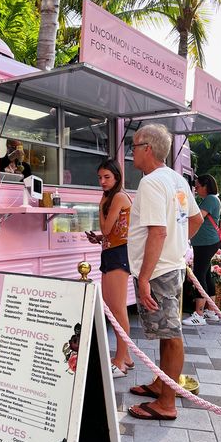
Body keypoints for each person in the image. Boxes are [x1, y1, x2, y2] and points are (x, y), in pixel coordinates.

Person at [126, 125, 203, 421]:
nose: (131, 151)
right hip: (169, 266)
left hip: (158, 270)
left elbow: (157, 232)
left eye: (134, 145)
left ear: (148, 148)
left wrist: (144, 277)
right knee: (167, 331)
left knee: (171, 335)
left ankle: (167, 403)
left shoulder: (151, 182)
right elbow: (194, 220)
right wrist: (179, 247)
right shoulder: (176, 179)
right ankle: (162, 383)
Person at [86, 159, 134, 377]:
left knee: (117, 308)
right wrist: (99, 238)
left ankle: (120, 360)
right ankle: (126, 357)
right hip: (111, 252)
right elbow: (110, 233)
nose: (102, 182)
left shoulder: (118, 197)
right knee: (113, 307)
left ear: (116, 177)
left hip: (118, 255)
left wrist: (100, 208)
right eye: (99, 178)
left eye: (107, 177)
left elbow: (106, 228)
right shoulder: (111, 197)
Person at [183, 174, 221, 325]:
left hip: (206, 243)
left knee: (199, 275)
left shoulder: (211, 199)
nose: (196, 189)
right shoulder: (212, 199)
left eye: (197, 186)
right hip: (207, 242)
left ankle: (198, 315)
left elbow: (198, 217)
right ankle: (211, 311)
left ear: (206, 185)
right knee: (205, 275)